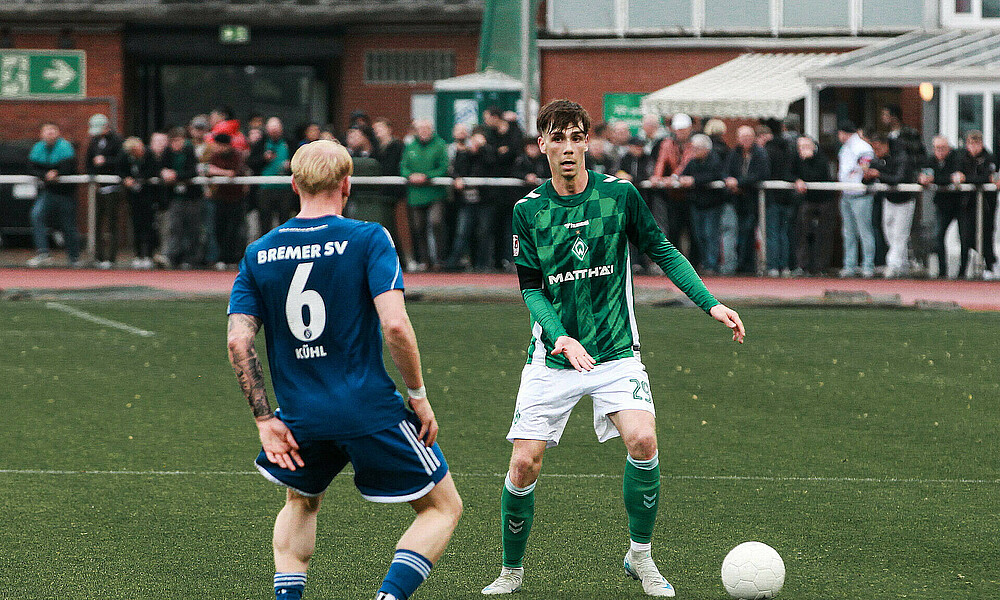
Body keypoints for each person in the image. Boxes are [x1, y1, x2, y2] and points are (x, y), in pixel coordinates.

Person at [481, 99, 745, 597]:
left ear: (587, 143)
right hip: (553, 356)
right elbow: (531, 288)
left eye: (575, 137)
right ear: (542, 145)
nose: (566, 148)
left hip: (617, 351)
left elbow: (663, 250)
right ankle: (512, 571)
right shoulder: (528, 211)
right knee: (523, 465)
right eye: (555, 139)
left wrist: (709, 304)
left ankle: (640, 556)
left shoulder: (619, 195)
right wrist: (559, 336)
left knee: (643, 442)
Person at [227, 140, 462, 600]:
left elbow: (238, 340)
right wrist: (418, 396)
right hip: (367, 408)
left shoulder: (259, 251)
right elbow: (395, 324)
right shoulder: (368, 237)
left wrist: (263, 418)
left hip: (299, 415)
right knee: (441, 507)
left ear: (294, 185)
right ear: (347, 184)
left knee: (300, 499)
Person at [27, 122, 80, 267]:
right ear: (41, 134)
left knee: (68, 225)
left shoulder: (65, 147)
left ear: (58, 132)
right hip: (48, 191)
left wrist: (56, 172)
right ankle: (43, 253)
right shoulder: (38, 148)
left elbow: (69, 167)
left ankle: (74, 257)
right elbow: (31, 168)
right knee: (36, 215)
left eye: (53, 130)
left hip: (65, 193)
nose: (50, 133)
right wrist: (46, 174)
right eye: (47, 130)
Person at [400, 119, 449, 271]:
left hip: (435, 193)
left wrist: (427, 176)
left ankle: (440, 259)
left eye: (426, 128)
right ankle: (424, 260)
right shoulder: (410, 146)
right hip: (415, 194)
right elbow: (403, 166)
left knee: (436, 223)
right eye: (421, 129)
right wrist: (410, 175)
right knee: (418, 227)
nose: (423, 132)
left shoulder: (440, 145)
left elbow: (444, 167)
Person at [866, 134, 914, 278]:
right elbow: (868, 179)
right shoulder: (879, 159)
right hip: (889, 199)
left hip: (904, 200)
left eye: (877, 148)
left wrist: (878, 174)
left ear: (885, 145)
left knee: (900, 234)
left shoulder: (901, 157)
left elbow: (897, 179)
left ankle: (892, 264)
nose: (876, 152)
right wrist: (868, 175)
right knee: (889, 233)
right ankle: (903, 263)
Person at [723, 125, 770, 275]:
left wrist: (740, 182)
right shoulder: (734, 153)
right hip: (737, 198)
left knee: (749, 232)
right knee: (737, 232)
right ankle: (739, 264)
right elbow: (726, 171)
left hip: (753, 198)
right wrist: (730, 181)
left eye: (749, 137)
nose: (746, 140)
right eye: (743, 137)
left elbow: (761, 174)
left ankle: (747, 266)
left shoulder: (760, 153)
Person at [678, 134, 725, 274]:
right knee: (699, 235)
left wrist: (694, 180)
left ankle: (712, 265)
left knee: (710, 235)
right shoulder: (692, 162)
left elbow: (715, 175)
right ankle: (705, 263)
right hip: (696, 203)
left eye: (697, 148)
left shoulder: (715, 160)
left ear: (705, 149)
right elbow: (683, 174)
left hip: (712, 204)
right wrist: (682, 179)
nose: (694, 151)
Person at [954, 130, 998, 279]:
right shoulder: (962, 158)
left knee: (986, 235)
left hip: (986, 205)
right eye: (970, 143)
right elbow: (957, 175)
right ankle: (962, 270)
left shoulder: (990, 158)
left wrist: (966, 178)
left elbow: (987, 177)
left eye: (976, 143)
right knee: (965, 237)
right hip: (967, 205)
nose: (973, 147)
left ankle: (990, 265)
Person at [919, 137, 965, 279]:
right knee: (938, 237)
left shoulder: (957, 158)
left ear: (948, 148)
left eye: (942, 148)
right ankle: (942, 271)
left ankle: (962, 272)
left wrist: (937, 178)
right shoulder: (931, 160)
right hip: (942, 204)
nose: (939, 151)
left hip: (961, 204)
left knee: (964, 238)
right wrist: (923, 179)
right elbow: (926, 176)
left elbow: (955, 177)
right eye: (936, 148)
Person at [157, 127, 203, 269]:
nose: (176, 145)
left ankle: (191, 258)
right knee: (174, 227)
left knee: (192, 228)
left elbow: (192, 172)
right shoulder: (167, 152)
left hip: (191, 197)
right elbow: (160, 167)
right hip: (175, 197)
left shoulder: (189, 151)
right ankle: (172, 257)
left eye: (178, 141)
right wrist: (163, 173)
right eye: (173, 142)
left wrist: (176, 175)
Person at [791, 136, 837, 276]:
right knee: (803, 233)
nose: (802, 150)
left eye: (805, 146)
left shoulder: (822, 159)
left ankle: (821, 267)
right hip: (807, 201)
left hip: (823, 200)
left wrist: (808, 160)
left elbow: (818, 176)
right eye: (800, 147)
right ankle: (802, 265)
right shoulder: (796, 157)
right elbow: (789, 172)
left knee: (823, 234)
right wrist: (797, 180)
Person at [836, 120, 876, 278]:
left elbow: (864, 169)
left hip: (860, 194)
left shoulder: (862, 147)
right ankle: (850, 265)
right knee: (848, 232)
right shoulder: (845, 148)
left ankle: (868, 265)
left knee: (864, 231)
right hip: (846, 193)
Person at [86, 113, 124, 268]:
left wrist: (106, 161)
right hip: (99, 187)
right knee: (97, 222)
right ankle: (98, 256)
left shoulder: (117, 141)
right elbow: (88, 161)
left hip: (113, 187)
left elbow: (121, 162)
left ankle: (111, 257)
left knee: (112, 222)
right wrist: (92, 176)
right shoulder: (94, 141)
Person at [206, 133, 248, 269]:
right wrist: (223, 172)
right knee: (219, 229)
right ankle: (222, 258)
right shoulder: (214, 156)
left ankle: (234, 258)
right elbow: (208, 170)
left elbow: (234, 172)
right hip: (220, 198)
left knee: (235, 230)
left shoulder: (237, 155)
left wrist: (218, 171)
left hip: (236, 199)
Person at [248, 117, 293, 240]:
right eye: (272, 131)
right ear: (267, 130)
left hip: (285, 188)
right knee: (264, 219)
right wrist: (264, 158)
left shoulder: (289, 142)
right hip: (265, 188)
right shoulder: (260, 143)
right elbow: (251, 162)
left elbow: (299, 161)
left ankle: (285, 243)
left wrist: (291, 165)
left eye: (277, 131)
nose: (274, 134)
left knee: (284, 219)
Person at [118, 136, 157, 269]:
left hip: (148, 196)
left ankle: (149, 255)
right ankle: (138, 255)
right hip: (134, 198)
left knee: (149, 227)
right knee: (136, 226)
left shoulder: (149, 155)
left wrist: (139, 179)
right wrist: (126, 179)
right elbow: (120, 169)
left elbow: (153, 171)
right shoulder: (125, 156)